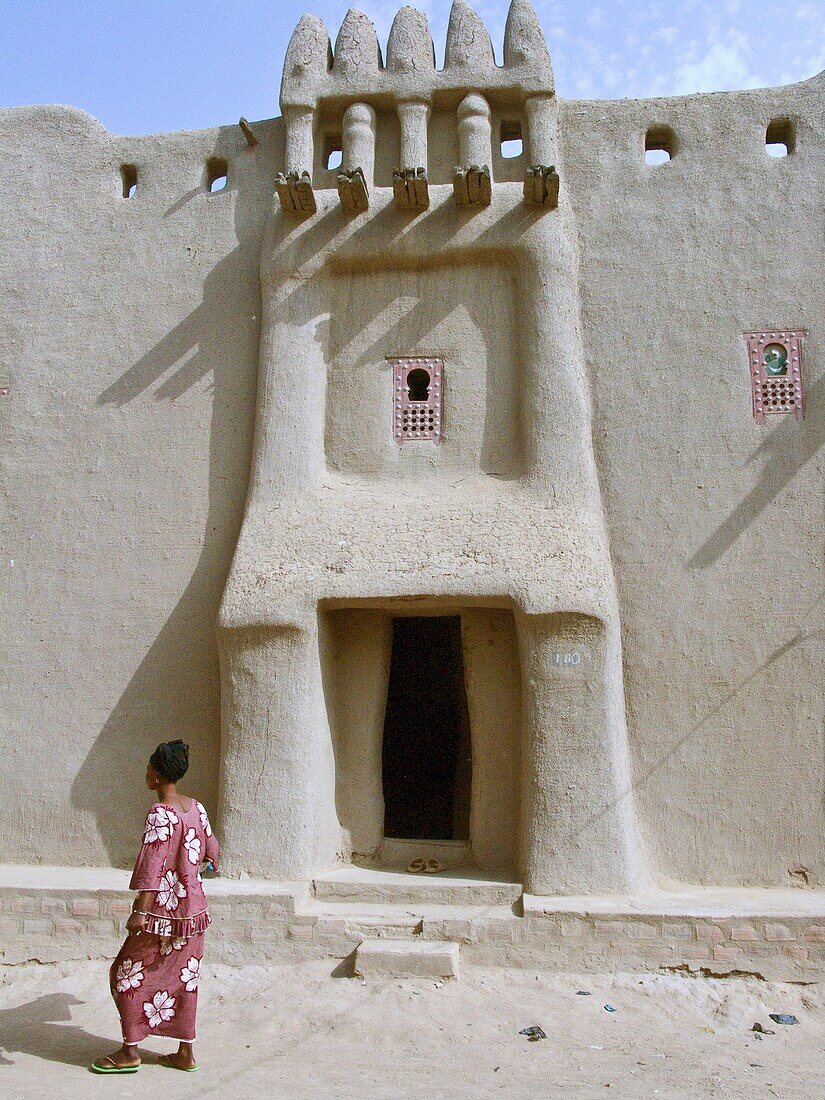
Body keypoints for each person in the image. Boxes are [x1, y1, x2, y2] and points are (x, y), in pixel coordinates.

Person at [91, 739, 220, 1074]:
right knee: (185, 978)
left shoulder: (160, 813)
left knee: (126, 973)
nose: (145, 772)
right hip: (194, 914)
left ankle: (130, 1051)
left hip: (160, 915)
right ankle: (185, 1053)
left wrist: (141, 910)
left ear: (159, 775)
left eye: (149, 767)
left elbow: (152, 864)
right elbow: (212, 854)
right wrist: (192, 872)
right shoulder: (197, 808)